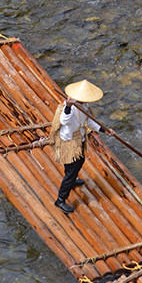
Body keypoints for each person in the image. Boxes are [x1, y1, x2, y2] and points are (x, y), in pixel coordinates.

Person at [49, 79, 114, 214]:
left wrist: (104, 130)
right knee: (71, 170)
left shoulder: (83, 107)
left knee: (79, 162)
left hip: (79, 138)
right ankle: (60, 199)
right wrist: (67, 106)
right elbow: (64, 120)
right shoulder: (71, 107)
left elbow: (90, 121)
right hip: (69, 141)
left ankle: (72, 181)